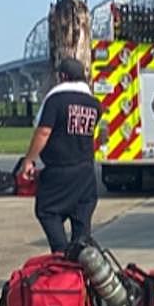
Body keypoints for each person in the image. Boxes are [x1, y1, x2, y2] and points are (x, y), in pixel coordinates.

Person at [20, 57, 101, 253]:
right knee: (81, 222)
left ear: (63, 76)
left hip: (60, 170)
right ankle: (82, 264)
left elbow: (44, 132)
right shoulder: (95, 104)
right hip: (86, 171)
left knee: (47, 211)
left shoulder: (56, 100)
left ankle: (61, 254)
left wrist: (29, 160)